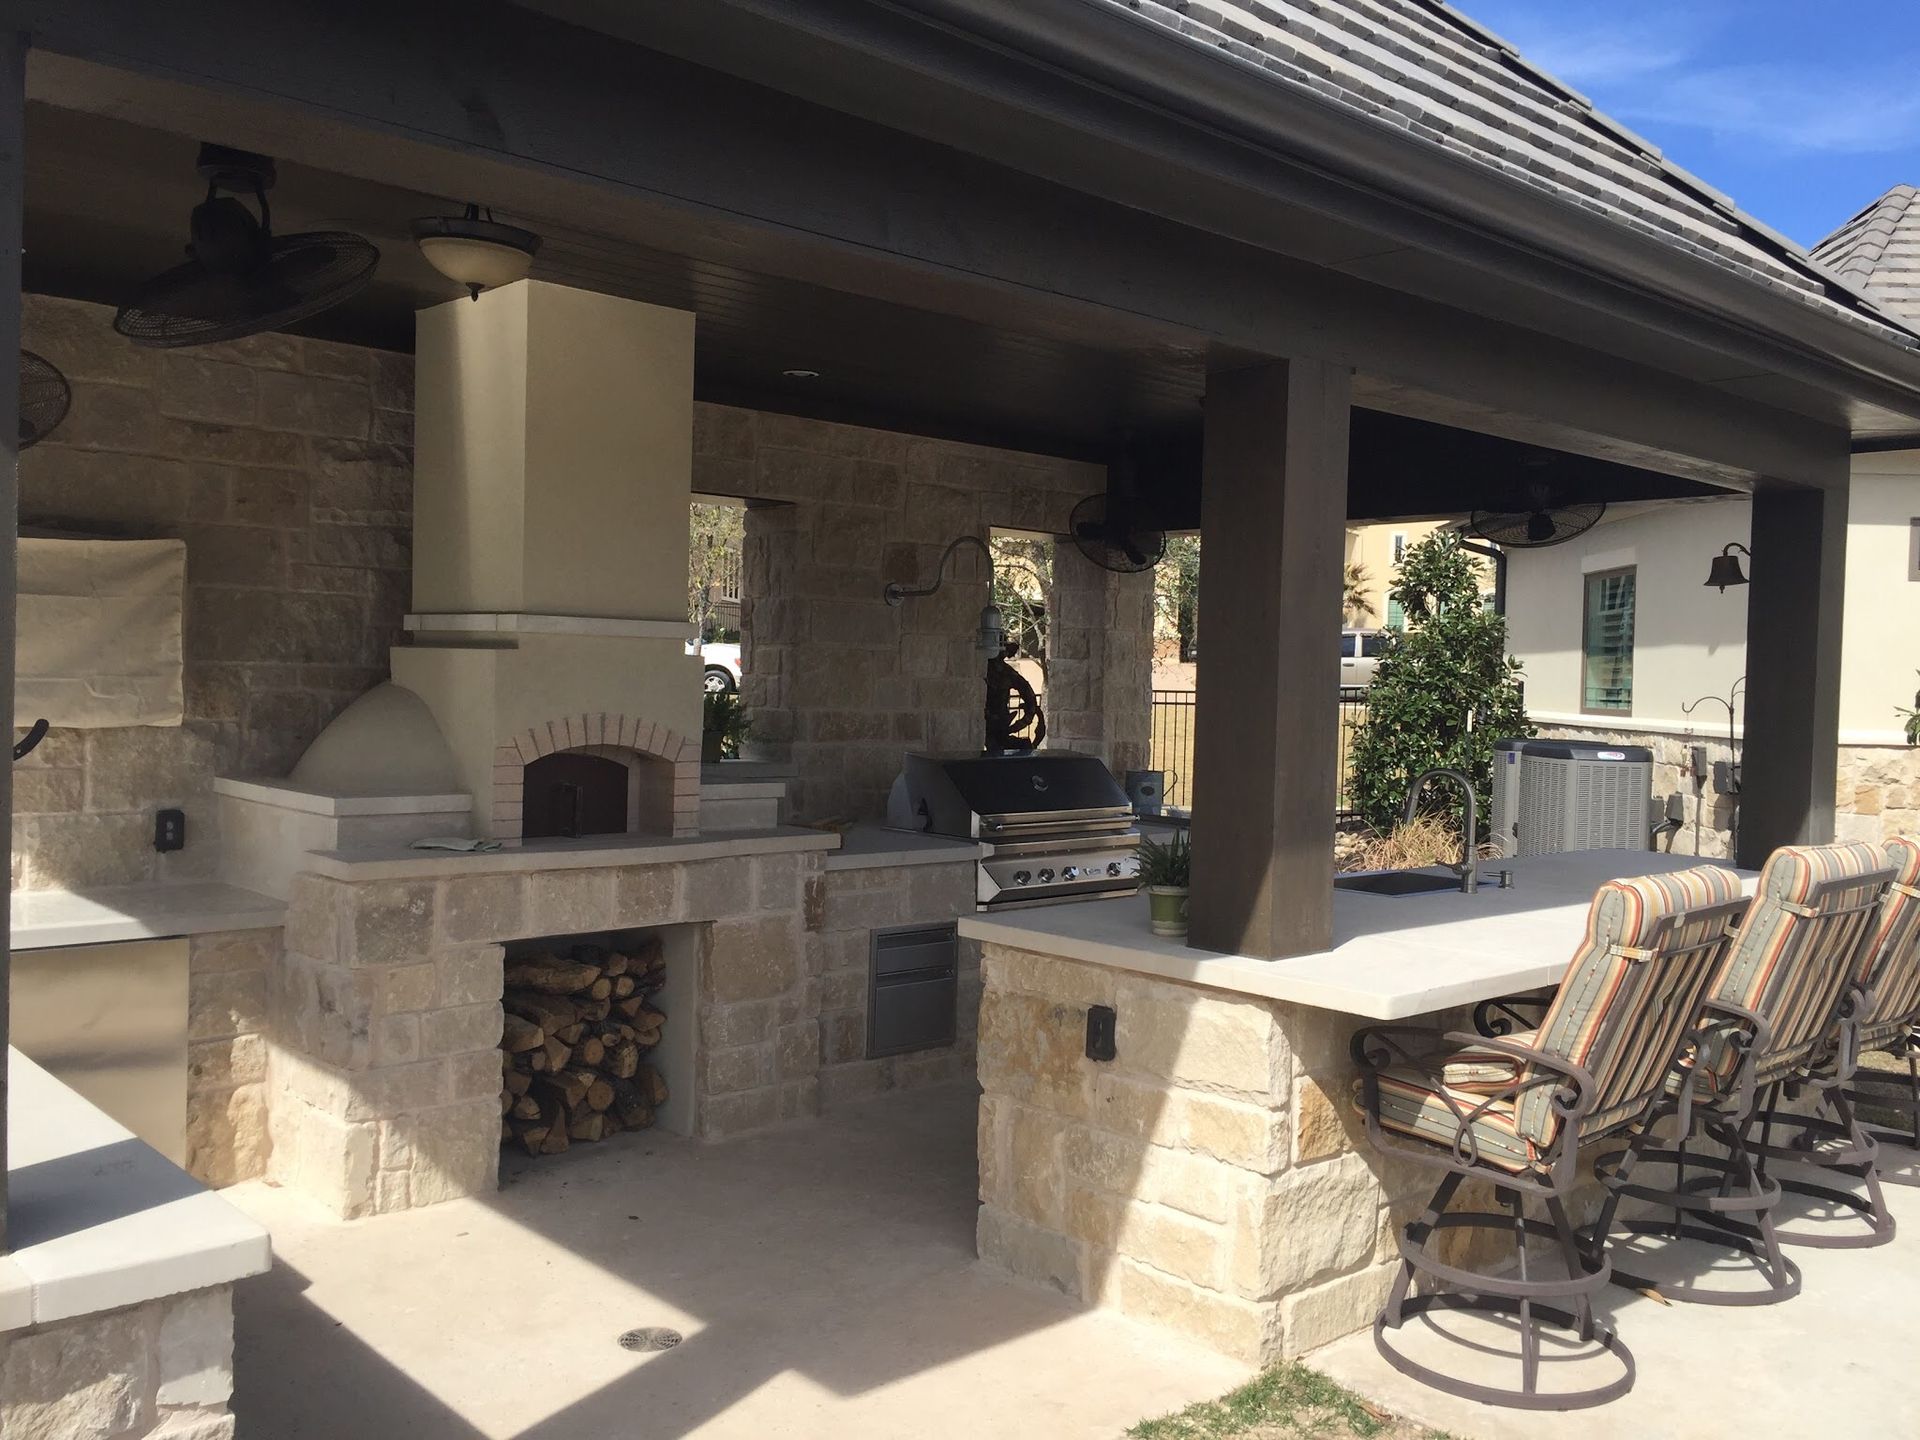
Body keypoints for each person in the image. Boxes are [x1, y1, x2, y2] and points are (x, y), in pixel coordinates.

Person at [984, 641, 1046, 753]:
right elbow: (1029, 697)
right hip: (992, 722)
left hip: (999, 723)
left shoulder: (1006, 673)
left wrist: (1023, 721)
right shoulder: (998, 672)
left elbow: (1029, 696)